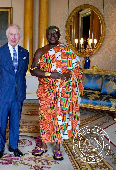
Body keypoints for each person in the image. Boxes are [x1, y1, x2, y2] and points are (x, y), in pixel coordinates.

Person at [30, 26, 83, 160]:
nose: (52, 36)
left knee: (60, 119)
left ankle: (58, 146)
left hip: (63, 93)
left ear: (59, 35)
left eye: (55, 34)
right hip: (46, 91)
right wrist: (51, 74)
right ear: (46, 35)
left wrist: (68, 73)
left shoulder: (67, 51)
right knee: (45, 118)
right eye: (49, 34)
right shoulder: (40, 51)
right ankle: (43, 144)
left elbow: (77, 69)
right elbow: (33, 70)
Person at [0, 24, 29, 159]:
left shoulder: (25, 53)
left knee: (15, 121)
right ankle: (0, 148)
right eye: (11, 34)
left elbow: (22, 72)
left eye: (16, 34)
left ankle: (14, 146)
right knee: (1, 122)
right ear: (7, 36)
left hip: (18, 93)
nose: (14, 37)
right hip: (2, 93)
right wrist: (6, 84)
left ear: (19, 37)